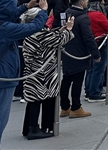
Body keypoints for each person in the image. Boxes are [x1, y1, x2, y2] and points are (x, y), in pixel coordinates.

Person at [0, 0, 48, 150]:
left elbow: (7, 15)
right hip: (3, 78)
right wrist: (43, 11)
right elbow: (34, 27)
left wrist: (27, 6)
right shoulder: (6, 29)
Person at [21, 8, 74, 140]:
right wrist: (68, 29)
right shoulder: (39, 32)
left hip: (34, 69)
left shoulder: (30, 30)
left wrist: (61, 30)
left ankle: (29, 127)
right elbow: (59, 40)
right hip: (43, 71)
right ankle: (36, 128)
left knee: (34, 99)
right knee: (39, 98)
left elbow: (50, 37)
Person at [61, 0, 99, 118]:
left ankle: (64, 107)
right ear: (82, 2)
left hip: (66, 51)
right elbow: (88, 37)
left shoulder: (65, 13)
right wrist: (96, 54)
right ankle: (76, 107)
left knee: (66, 79)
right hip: (79, 53)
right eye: (86, 0)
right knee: (77, 81)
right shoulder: (83, 17)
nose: (87, 2)